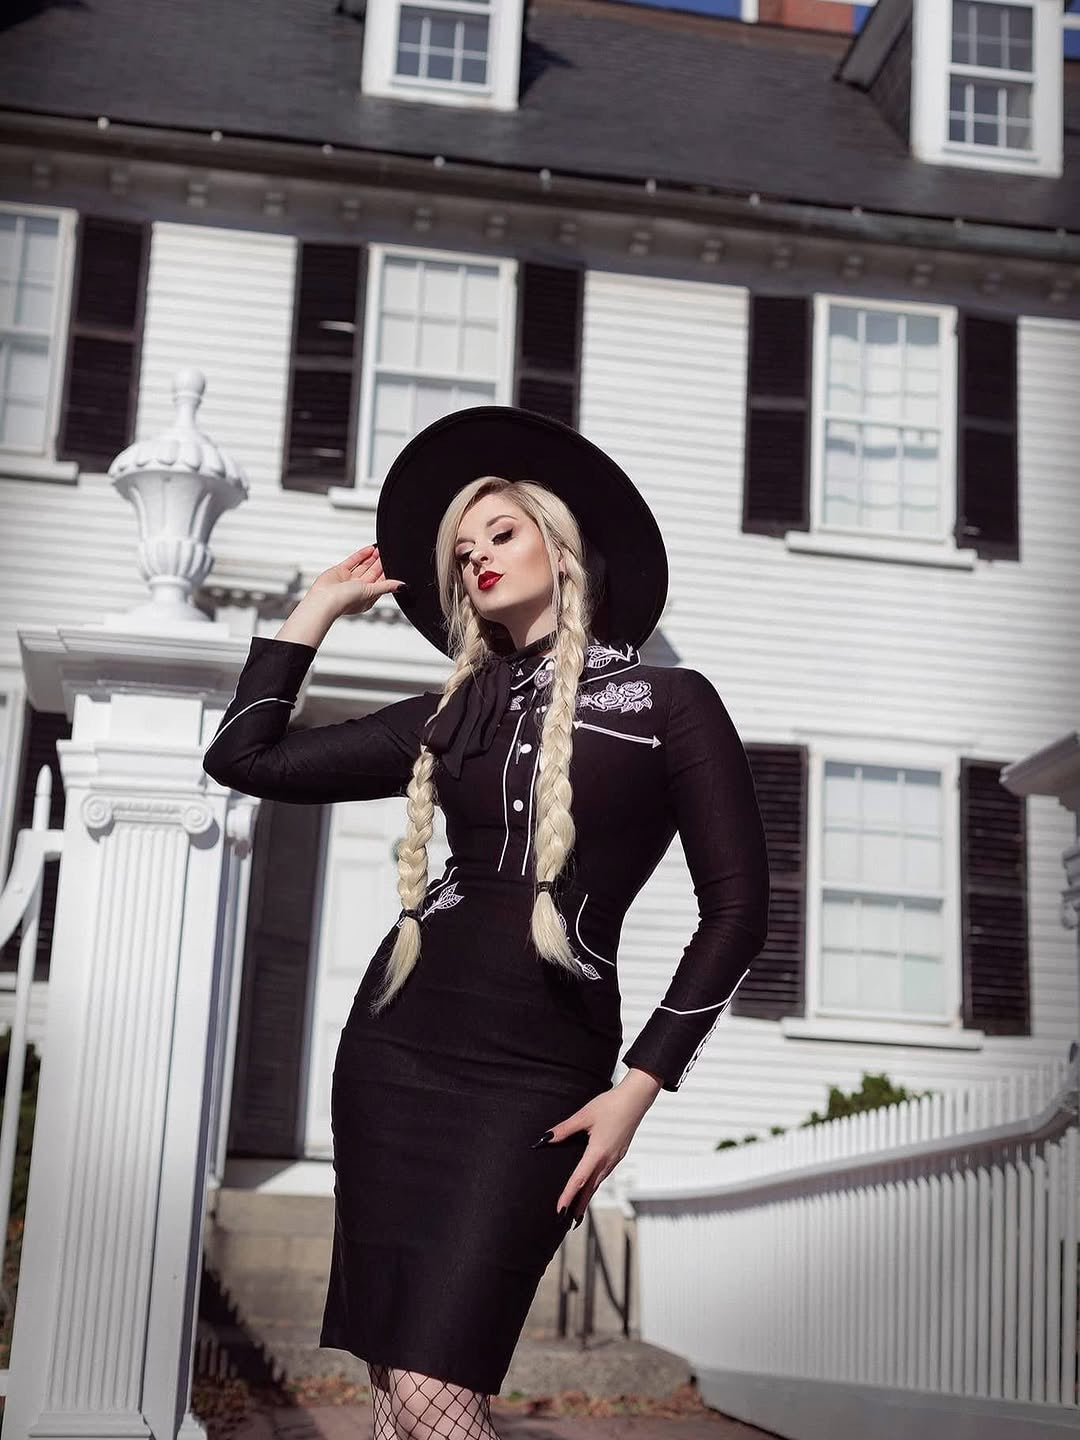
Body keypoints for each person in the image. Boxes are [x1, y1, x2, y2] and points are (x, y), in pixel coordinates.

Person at [202, 405, 771, 1440]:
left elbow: (738, 913)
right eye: (461, 551)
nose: (476, 559)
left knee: (436, 1393)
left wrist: (638, 1089)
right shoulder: (447, 711)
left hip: (536, 1081)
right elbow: (245, 760)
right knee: (398, 1394)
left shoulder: (672, 705)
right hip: (394, 1060)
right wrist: (314, 611)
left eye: (499, 534)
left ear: (561, 545)